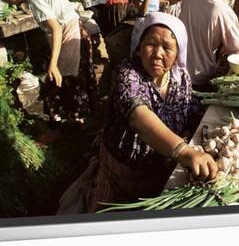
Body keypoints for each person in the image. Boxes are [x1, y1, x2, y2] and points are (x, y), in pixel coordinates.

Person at [88, 12, 217, 211]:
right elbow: (139, 117)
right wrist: (183, 151)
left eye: (167, 48)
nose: (157, 54)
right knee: (108, 216)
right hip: (122, 172)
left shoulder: (180, 77)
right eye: (151, 44)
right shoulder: (128, 74)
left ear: (177, 54)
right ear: (139, 48)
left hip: (159, 169)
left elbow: (189, 108)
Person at [0, 0, 97, 124]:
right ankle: (76, 122)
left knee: (62, 81)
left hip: (71, 34)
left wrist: (53, 64)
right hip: (75, 33)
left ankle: (64, 125)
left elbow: (56, 29)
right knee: (73, 81)